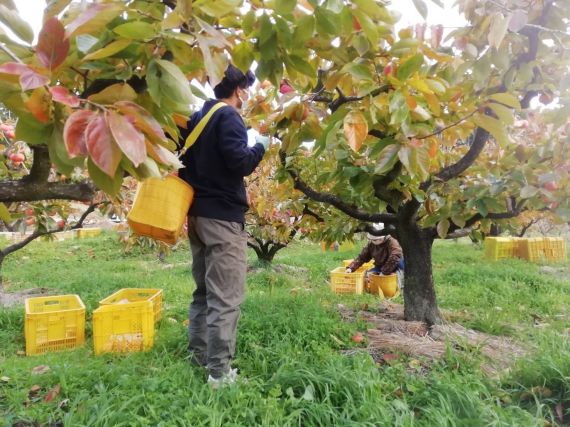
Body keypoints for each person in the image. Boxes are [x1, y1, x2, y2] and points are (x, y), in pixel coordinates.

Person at [178, 64, 270, 388]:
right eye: (246, 88)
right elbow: (240, 163)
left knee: (203, 291)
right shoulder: (228, 116)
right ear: (239, 89)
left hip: (198, 216)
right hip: (223, 220)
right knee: (226, 296)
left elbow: (184, 166)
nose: (247, 94)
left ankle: (198, 355)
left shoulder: (197, 118)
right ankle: (219, 373)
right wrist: (260, 145)